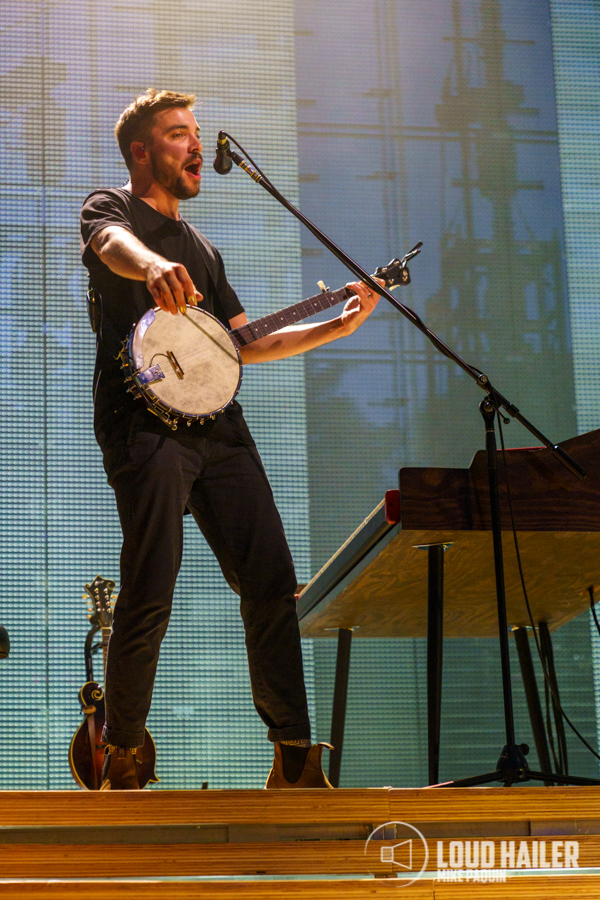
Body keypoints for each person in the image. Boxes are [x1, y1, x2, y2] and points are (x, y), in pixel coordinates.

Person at [80, 88, 380, 790]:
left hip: (220, 430)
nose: (193, 146)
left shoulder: (204, 250)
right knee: (152, 585)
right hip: (141, 425)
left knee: (270, 579)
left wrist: (335, 324)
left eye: (193, 134)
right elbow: (111, 246)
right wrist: (150, 266)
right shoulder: (111, 209)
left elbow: (244, 340)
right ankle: (121, 754)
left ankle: (296, 760)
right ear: (141, 151)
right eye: (177, 134)